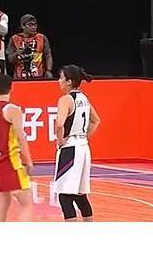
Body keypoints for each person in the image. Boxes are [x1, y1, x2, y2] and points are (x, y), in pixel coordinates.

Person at [0, 74, 35, 222]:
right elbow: (20, 137)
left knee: (2, 205)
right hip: (10, 163)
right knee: (26, 204)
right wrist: (29, 161)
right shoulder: (12, 109)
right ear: (11, 88)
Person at [54, 65, 100, 222]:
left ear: (69, 81)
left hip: (71, 148)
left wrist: (60, 141)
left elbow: (59, 124)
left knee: (65, 196)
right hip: (83, 147)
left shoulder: (66, 99)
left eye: (61, 78)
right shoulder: (84, 98)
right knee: (80, 195)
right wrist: (84, 136)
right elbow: (96, 120)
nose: (58, 81)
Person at [7, 14, 53, 79]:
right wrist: (17, 54)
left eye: (35, 25)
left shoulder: (42, 38)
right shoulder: (14, 39)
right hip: (19, 77)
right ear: (23, 26)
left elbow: (48, 55)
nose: (33, 27)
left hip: (39, 76)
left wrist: (48, 70)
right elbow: (10, 60)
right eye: (30, 25)